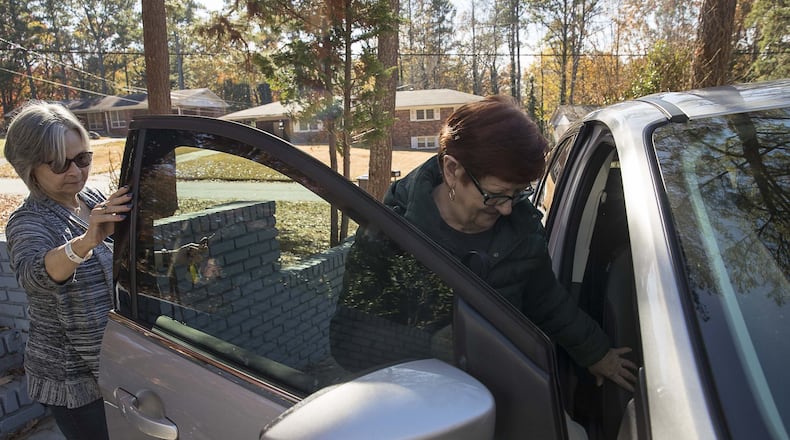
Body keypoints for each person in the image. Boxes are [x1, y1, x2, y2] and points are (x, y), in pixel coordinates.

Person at [379, 95, 637, 391]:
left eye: (517, 194)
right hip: (422, 398)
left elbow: (547, 301)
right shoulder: (391, 232)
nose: (507, 209)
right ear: (452, 171)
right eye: (496, 194)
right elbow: (354, 334)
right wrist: (441, 345)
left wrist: (596, 352)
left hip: (505, 385)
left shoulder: (522, 230)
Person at [3, 101, 132, 440]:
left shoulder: (90, 197)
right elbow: (33, 276)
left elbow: (122, 255)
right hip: (72, 380)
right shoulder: (28, 221)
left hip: (113, 363)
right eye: (60, 164)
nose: (75, 172)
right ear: (30, 168)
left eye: (83, 159)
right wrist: (86, 240)